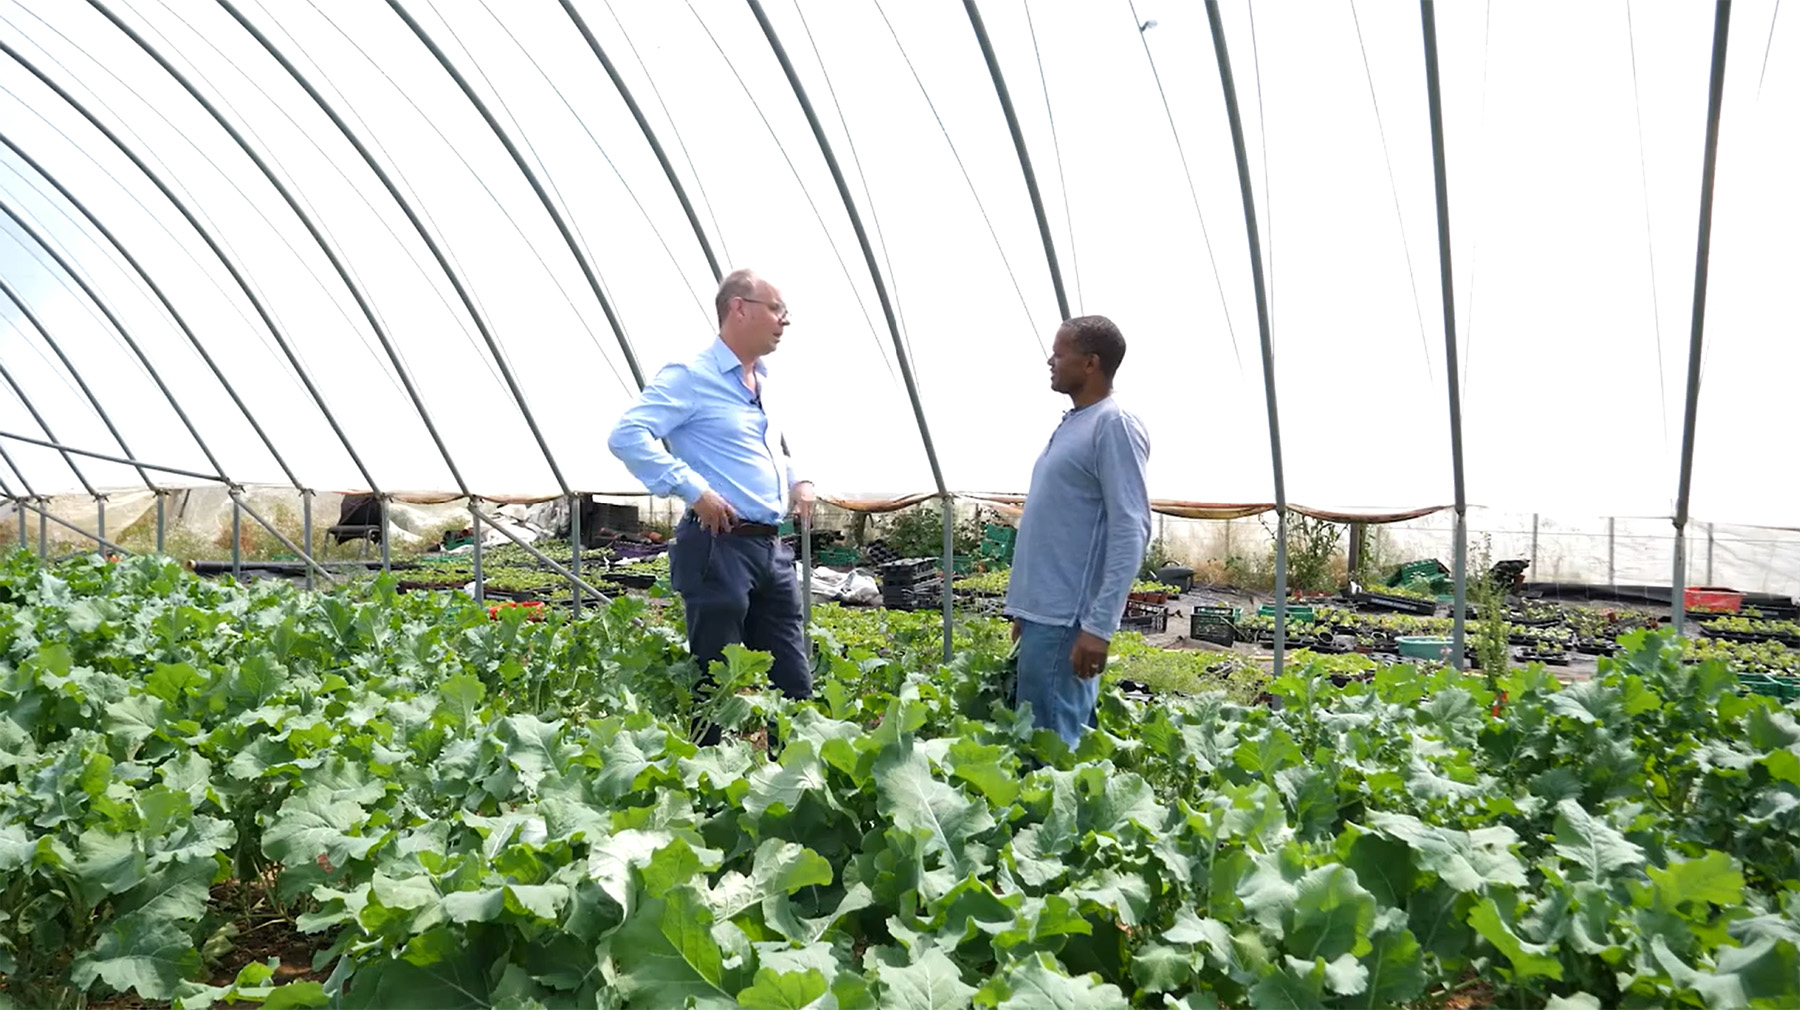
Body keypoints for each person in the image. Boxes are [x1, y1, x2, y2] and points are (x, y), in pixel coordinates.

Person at [607, 269, 815, 737]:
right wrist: (691, 489)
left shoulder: (765, 381)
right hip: (719, 546)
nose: (784, 322)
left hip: (770, 549)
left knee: (794, 683)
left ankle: (799, 793)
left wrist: (799, 480)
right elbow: (627, 435)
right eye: (777, 310)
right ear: (739, 308)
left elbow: (767, 449)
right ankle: (708, 793)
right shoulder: (691, 377)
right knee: (716, 685)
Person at [1002, 315, 1152, 747]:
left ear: (1090, 363)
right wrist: (1025, 612)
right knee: (1049, 746)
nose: (1051, 360)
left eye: (1059, 352)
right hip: (1044, 617)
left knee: (1053, 758)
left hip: (1069, 619)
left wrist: (1099, 626)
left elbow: (1131, 527)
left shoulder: (1113, 425)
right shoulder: (1075, 422)